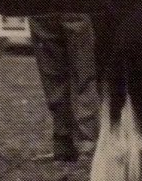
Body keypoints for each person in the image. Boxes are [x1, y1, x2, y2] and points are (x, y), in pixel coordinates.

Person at [28, 14, 99, 161]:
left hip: (75, 2)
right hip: (40, 6)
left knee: (84, 74)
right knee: (52, 76)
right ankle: (63, 144)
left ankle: (88, 143)